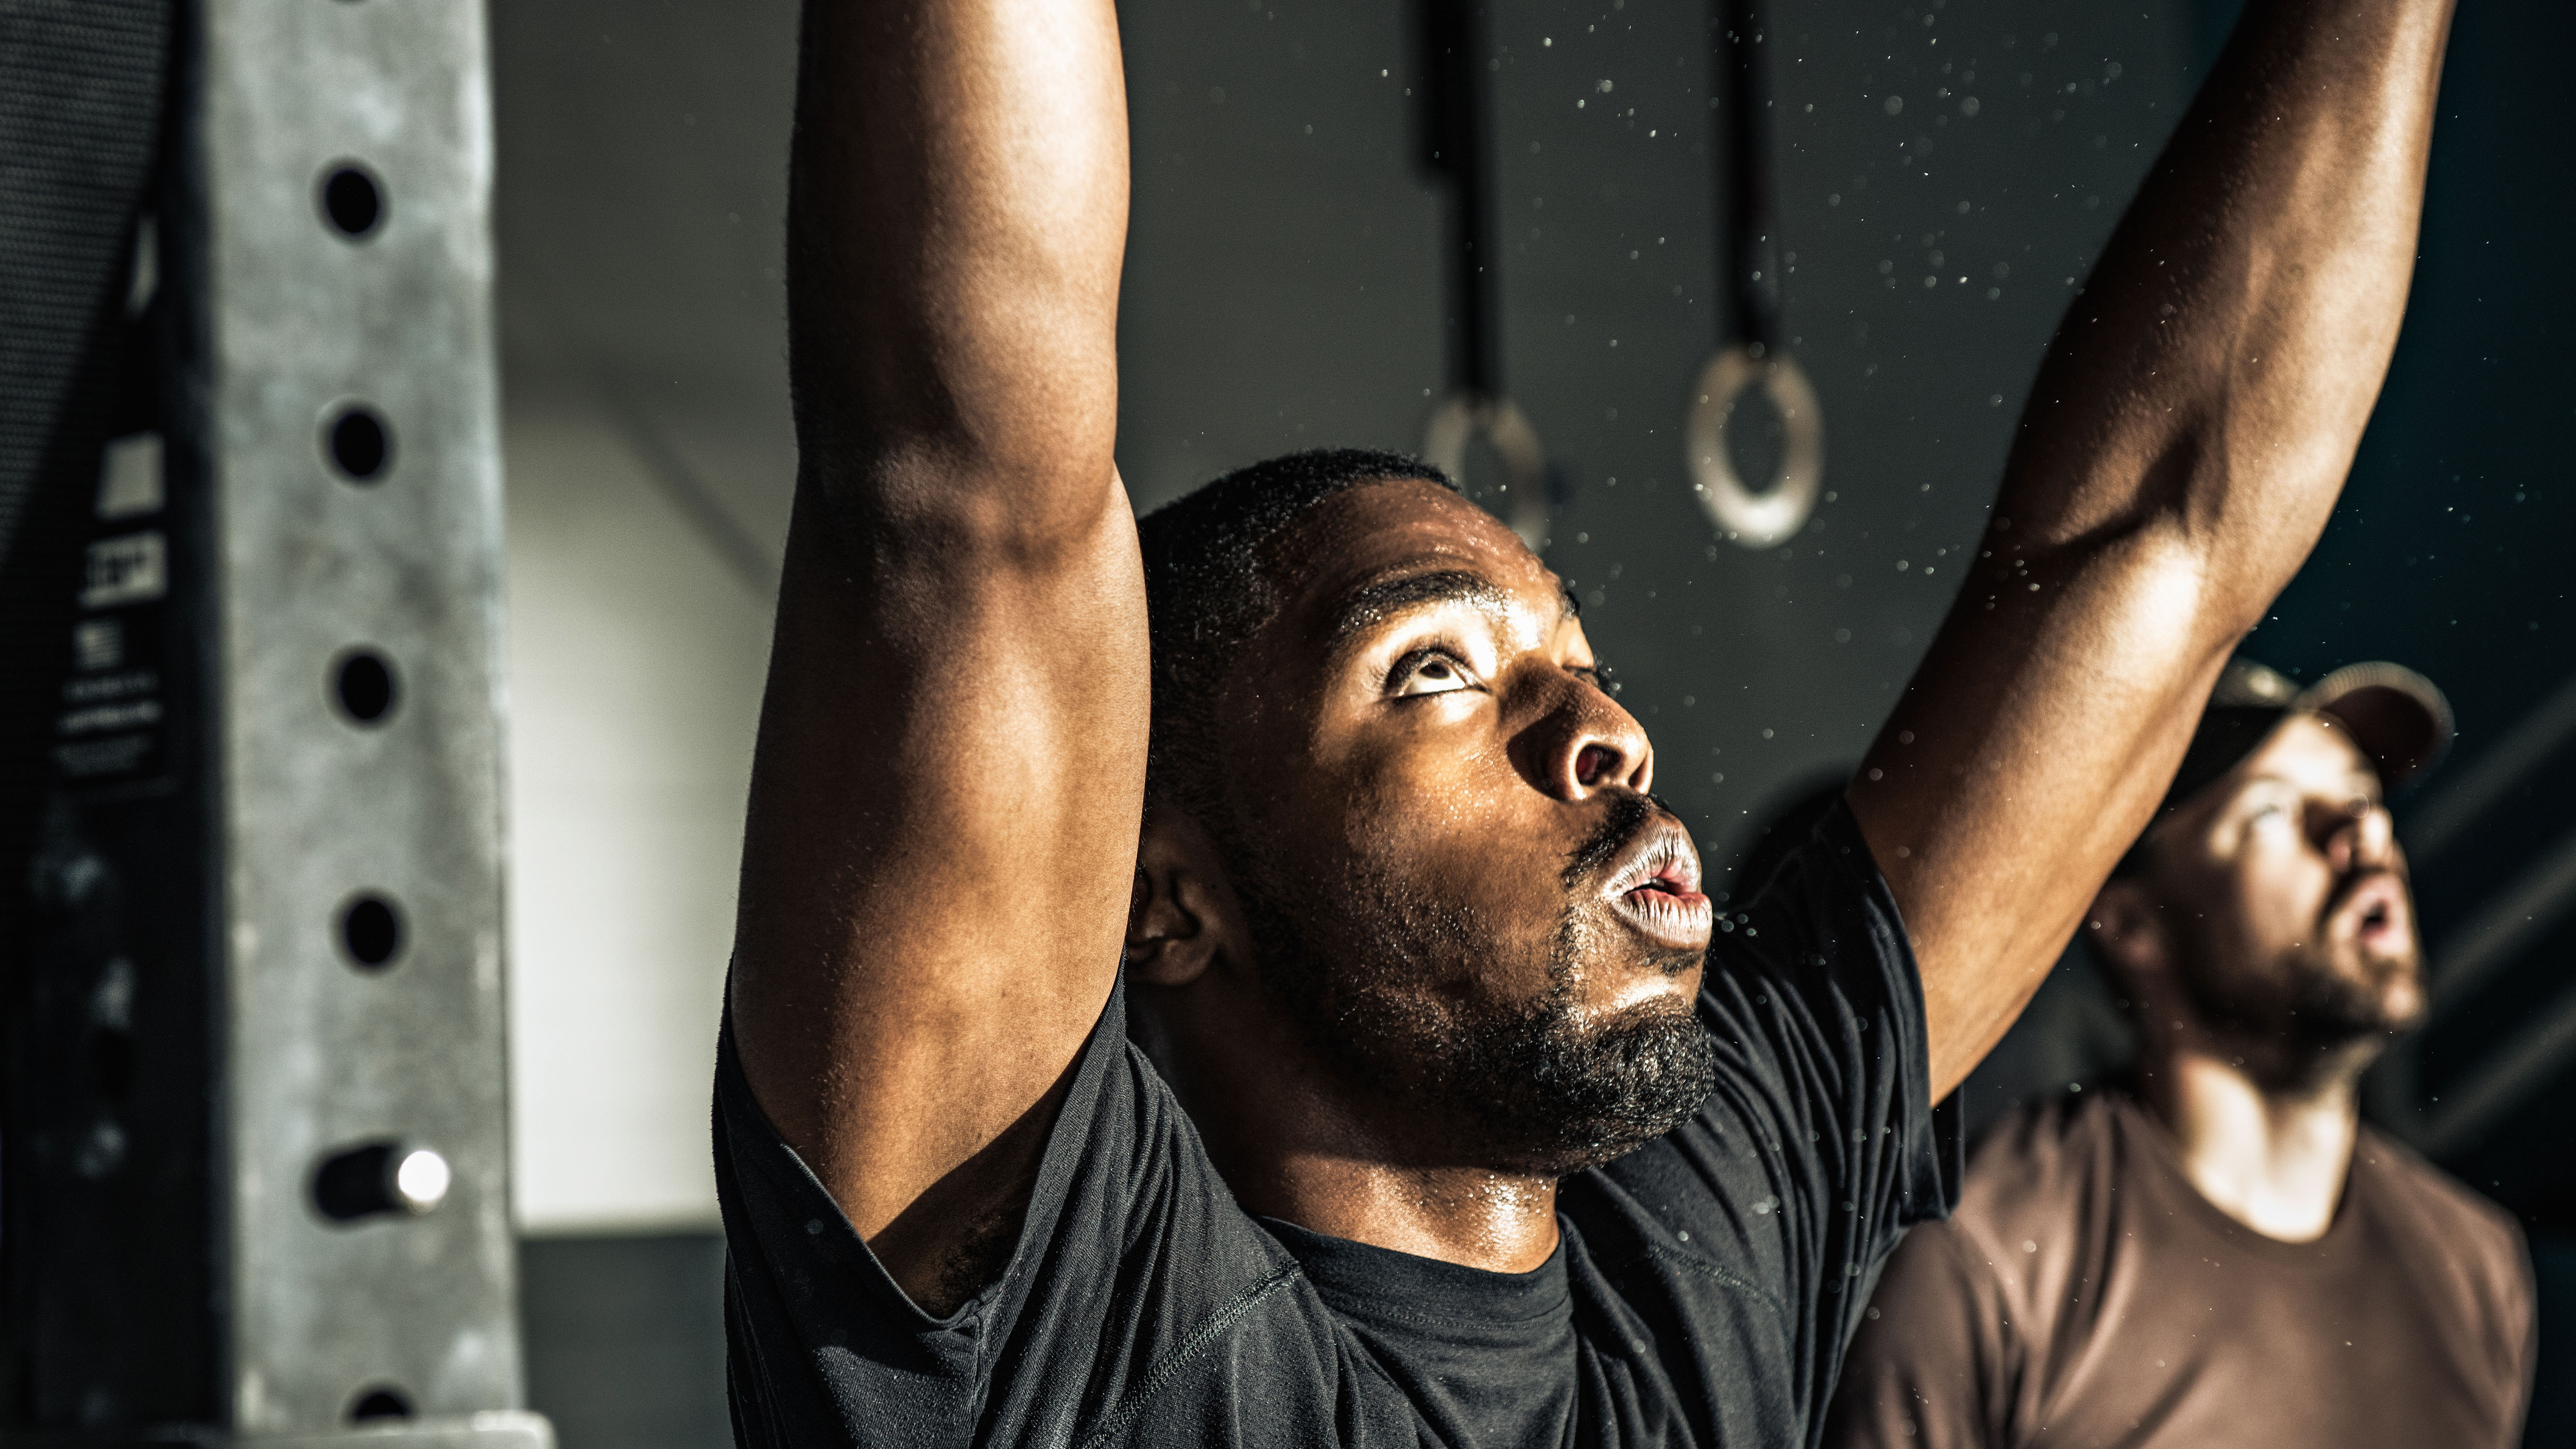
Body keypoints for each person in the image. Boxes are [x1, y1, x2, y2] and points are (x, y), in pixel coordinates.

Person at [714, 0, 2459, 1442]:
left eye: (1579, 660)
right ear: (1168, 899)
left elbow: (2159, 539)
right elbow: (967, 500)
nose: (1606, 737)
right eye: (1436, 676)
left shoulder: (1709, 1247)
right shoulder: (1051, 1330)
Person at [1822, 660, 2538, 1449]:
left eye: (2360, 796)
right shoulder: (1991, 1255)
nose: (2361, 834)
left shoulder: (2476, 1269)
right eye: (2270, 812)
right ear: (2132, 924)